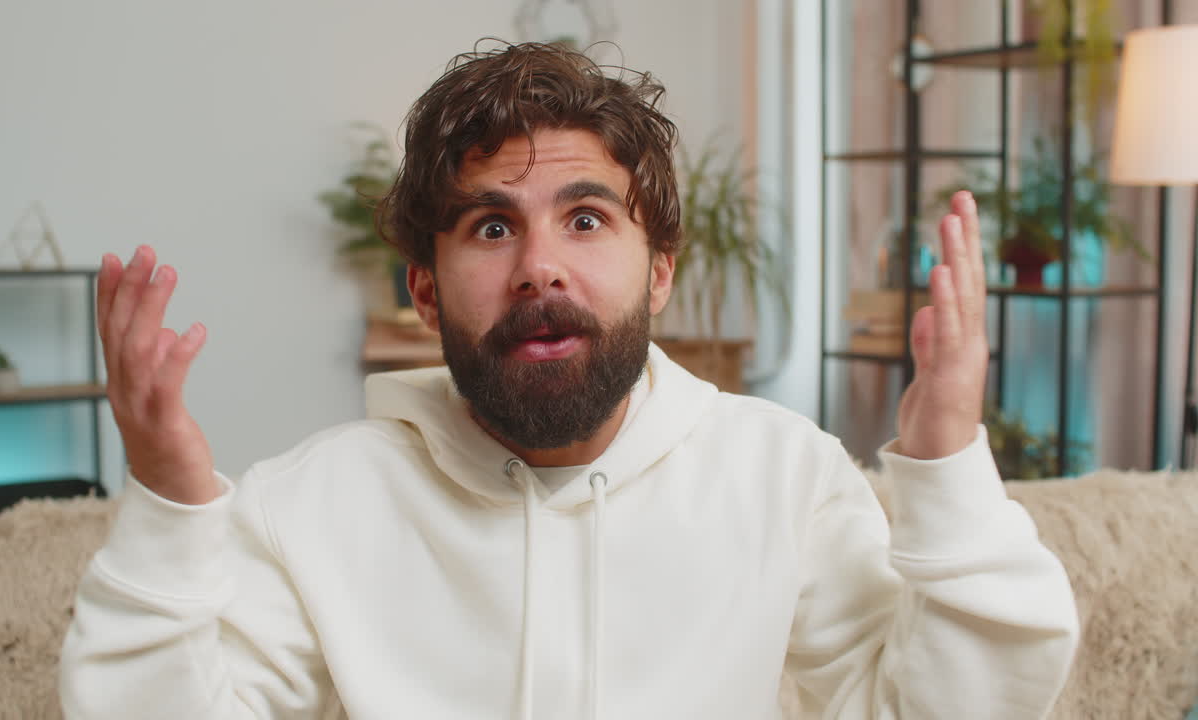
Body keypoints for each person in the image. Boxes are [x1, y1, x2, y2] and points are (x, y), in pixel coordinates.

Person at [60, 41, 1078, 719]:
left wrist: (947, 455)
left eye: (586, 219)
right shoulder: (309, 504)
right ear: (425, 291)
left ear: (660, 270)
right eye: (490, 227)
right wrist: (167, 497)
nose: (539, 267)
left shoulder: (784, 477)